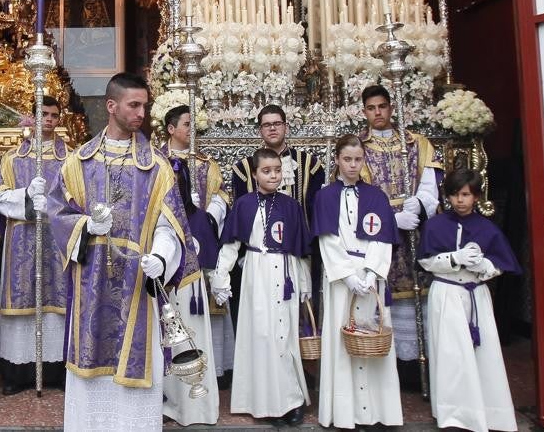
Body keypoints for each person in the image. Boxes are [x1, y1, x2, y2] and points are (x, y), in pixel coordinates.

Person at [49, 72, 199, 431]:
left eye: (144, 105)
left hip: (137, 288)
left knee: (137, 370)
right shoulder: (77, 163)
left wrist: (161, 258)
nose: (141, 113)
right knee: (91, 374)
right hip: (91, 285)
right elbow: (56, 213)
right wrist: (85, 226)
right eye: (134, 105)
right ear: (111, 106)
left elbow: (171, 226)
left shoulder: (157, 167)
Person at [210, 148, 311, 427]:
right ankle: (263, 401)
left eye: (277, 170)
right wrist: (220, 277)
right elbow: (231, 244)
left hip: (286, 274)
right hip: (257, 274)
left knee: (284, 336)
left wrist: (304, 285)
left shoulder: (292, 206)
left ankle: (290, 401)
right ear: (254, 174)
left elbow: (301, 250)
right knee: (263, 336)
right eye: (266, 171)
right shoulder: (243, 204)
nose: (273, 175)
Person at [419, 169, 521, 432]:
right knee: (451, 354)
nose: (459, 200)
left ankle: (488, 410)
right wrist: (455, 259)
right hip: (447, 293)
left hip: (476, 294)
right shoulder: (435, 225)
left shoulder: (487, 228)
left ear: (475, 196)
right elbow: (426, 262)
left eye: (465, 195)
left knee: (483, 354)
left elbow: (501, 263)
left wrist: (486, 265)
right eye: (454, 194)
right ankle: (454, 413)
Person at [313, 134, 403, 429]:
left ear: (364, 160)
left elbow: (383, 238)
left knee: (372, 337)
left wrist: (372, 272)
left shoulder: (376, 196)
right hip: (342, 279)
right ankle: (344, 410)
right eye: (347, 159)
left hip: (370, 275)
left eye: (358, 159)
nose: (353, 165)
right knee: (342, 340)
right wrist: (348, 276)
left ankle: (376, 410)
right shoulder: (325, 195)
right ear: (337, 159)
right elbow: (327, 239)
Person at [359, 84, 445, 373]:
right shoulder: (359, 148)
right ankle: (395, 364)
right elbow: (357, 194)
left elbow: (431, 182)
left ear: (391, 108)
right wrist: (390, 219)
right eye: (371, 108)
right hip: (380, 232)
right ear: (364, 112)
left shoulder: (415, 142)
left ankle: (424, 360)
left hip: (416, 228)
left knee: (419, 292)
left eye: (382, 106)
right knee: (385, 295)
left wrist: (419, 204)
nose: (377, 112)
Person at [0, 95, 70, 395]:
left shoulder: (69, 159)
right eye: (43, 114)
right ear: (32, 117)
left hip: (55, 239)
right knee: (22, 305)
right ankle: (17, 373)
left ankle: (56, 371)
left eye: (53, 115)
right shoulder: (13, 158)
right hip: (23, 238)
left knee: (55, 306)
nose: (48, 120)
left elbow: (76, 198)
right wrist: (24, 195)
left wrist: (52, 205)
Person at [157, 104, 227, 425]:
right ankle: (170, 395)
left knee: (192, 326)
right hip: (164, 255)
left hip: (195, 251)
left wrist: (208, 214)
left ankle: (194, 396)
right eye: (187, 124)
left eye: (193, 123)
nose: (191, 128)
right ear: (171, 128)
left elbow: (222, 195)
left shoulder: (203, 163)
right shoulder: (155, 162)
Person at [230, 105, 325, 222]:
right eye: (267, 125)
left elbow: (319, 212)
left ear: (286, 128)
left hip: (299, 237)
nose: (272, 128)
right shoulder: (243, 169)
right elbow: (239, 214)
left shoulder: (310, 165)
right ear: (260, 131)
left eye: (277, 123)